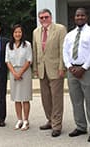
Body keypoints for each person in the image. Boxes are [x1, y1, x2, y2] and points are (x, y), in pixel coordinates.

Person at [63, 8, 90, 142]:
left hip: (88, 70)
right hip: (72, 70)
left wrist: (83, 68)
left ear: (86, 17)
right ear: (74, 18)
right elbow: (65, 52)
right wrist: (69, 66)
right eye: (77, 15)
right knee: (76, 100)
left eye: (82, 15)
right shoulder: (70, 35)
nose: (79, 17)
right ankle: (80, 126)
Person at [32, 8, 66, 137]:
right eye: (41, 18)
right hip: (42, 70)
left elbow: (63, 49)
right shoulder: (36, 32)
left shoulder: (60, 29)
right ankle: (50, 120)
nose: (44, 19)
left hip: (56, 69)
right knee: (45, 98)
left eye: (46, 17)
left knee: (56, 98)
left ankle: (57, 125)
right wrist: (35, 68)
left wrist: (62, 67)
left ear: (51, 17)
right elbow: (35, 51)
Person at [5, 24, 32, 131]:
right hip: (13, 73)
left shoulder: (27, 45)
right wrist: (14, 73)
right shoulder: (8, 45)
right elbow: (7, 60)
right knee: (16, 98)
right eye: (15, 32)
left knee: (25, 98)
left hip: (24, 72)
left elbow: (29, 60)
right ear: (12, 33)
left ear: (22, 33)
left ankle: (26, 120)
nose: (17, 34)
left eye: (19, 32)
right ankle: (19, 119)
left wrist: (20, 73)